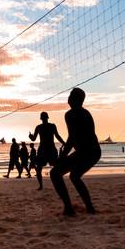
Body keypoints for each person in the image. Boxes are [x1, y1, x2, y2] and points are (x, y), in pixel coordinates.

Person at [51, 88, 101, 216]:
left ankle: (69, 208)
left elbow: (72, 138)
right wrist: (64, 155)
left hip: (89, 152)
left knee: (56, 173)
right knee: (74, 176)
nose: (68, 97)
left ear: (75, 99)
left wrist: (62, 156)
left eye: (71, 95)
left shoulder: (72, 114)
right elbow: (73, 138)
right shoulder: (84, 113)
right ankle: (88, 208)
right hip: (92, 152)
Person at [29, 112, 64, 191]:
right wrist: (64, 143)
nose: (44, 119)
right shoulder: (50, 126)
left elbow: (33, 139)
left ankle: (41, 186)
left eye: (43, 117)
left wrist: (30, 136)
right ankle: (43, 185)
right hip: (48, 149)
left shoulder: (40, 127)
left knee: (40, 169)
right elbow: (57, 136)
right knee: (54, 168)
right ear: (47, 118)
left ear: (41, 118)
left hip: (45, 150)